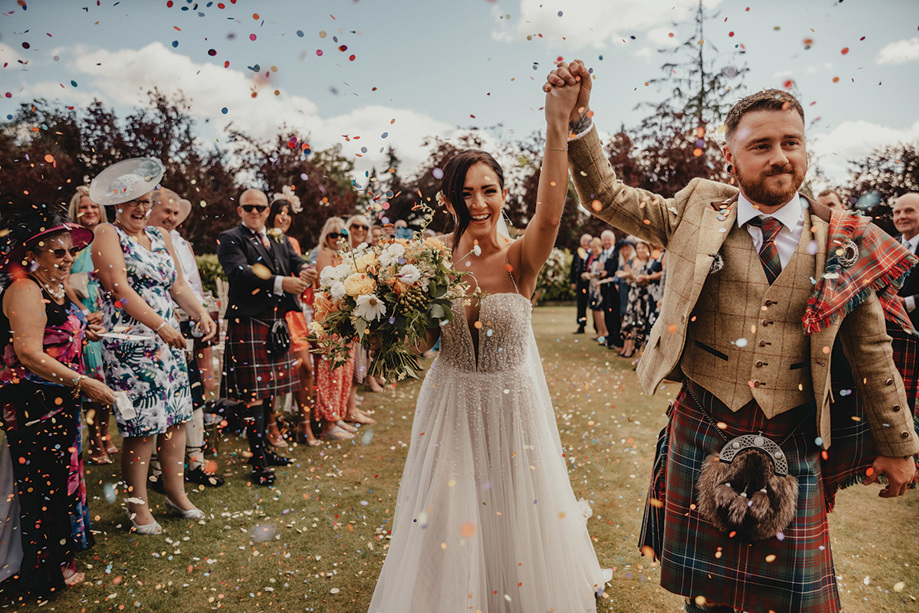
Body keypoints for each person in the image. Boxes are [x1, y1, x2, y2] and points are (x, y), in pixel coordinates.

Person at [545, 62, 918, 613]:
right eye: (761, 145)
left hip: (793, 432)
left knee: (796, 602)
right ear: (731, 157)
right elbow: (604, 196)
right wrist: (578, 121)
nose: (780, 156)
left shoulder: (843, 240)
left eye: (791, 142)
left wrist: (899, 446)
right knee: (707, 596)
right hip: (704, 418)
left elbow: (871, 352)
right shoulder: (697, 206)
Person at [369, 82, 610, 612]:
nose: (478, 203)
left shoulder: (521, 256)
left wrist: (557, 125)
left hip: (511, 403)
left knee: (518, 507)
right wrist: (377, 324)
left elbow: (550, 215)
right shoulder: (431, 260)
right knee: (447, 507)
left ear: (503, 193)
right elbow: (424, 340)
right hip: (450, 400)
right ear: (451, 199)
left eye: (489, 190)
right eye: (466, 192)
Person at [90, 158, 217, 533]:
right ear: (117, 204)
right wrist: (161, 325)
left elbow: (177, 286)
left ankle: (175, 494)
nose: (141, 209)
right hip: (132, 344)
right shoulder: (106, 234)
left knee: (177, 419)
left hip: (169, 343)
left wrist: (201, 312)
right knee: (142, 426)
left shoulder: (160, 237)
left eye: (146, 202)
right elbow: (119, 289)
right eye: (133, 203)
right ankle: (137, 506)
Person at [0, 206, 115, 595]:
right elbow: (31, 353)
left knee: (64, 479)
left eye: (70, 252)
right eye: (58, 252)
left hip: (60, 399)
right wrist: (84, 382)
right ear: (34, 254)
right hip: (31, 403)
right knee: (41, 484)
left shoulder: (58, 287)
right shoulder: (24, 289)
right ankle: (43, 569)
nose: (68, 259)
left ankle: (62, 556)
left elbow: (66, 330)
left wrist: (88, 330)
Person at [217, 188, 315, 485]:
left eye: (261, 207)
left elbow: (294, 262)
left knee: (270, 390)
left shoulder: (277, 238)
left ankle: (266, 450)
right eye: (249, 207)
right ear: (240, 210)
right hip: (249, 321)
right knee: (253, 395)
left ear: (267, 210)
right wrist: (281, 282)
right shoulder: (231, 238)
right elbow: (239, 273)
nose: (255, 211)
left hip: (276, 322)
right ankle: (258, 461)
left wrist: (306, 271)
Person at [146, 188, 226, 488]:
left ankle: (195, 461)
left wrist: (201, 312)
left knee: (194, 391)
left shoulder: (180, 242)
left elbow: (186, 282)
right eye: (166, 211)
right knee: (159, 397)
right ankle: (156, 468)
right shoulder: (137, 241)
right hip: (158, 324)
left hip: (188, 319)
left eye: (175, 213)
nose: (172, 217)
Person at [65, 186, 117, 465]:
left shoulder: (108, 238)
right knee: (93, 383)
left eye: (94, 207)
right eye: (84, 207)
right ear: (77, 211)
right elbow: (65, 283)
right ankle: (94, 441)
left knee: (107, 381)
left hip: (107, 316)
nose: (89, 211)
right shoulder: (72, 241)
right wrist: (85, 312)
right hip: (84, 316)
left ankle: (106, 437)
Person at [265, 194, 321, 447]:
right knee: (273, 372)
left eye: (288, 213)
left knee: (306, 368)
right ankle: (271, 425)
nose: (285, 217)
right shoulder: (262, 240)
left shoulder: (293, 243)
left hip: (294, 313)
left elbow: (298, 266)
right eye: (280, 211)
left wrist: (309, 274)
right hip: (272, 312)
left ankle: (304, 424)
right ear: (270, 214)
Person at [311, 217, 356, 441]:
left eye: (343, 235)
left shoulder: (347, 256)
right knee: (329, 370)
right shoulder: (324, 256)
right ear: (326, 237)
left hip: (346, 320)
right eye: (334, 235)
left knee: (344, 368)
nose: (339, 239)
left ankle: (336, 415)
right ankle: (327, 423)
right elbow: (324, 288)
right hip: (329, 318)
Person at [618, 239, 655, 359]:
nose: (640, 250)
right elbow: (631, 281)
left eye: (643, 248)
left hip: (642, 298)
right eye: (638, 248)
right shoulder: (635, 262)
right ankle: (627, 347)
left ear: (648, 249)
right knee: (629, 321)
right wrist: (629, 276)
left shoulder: (650, 263)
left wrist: (631, 276)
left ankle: (635, 350)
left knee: (639, 324)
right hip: (633, 296)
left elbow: (643, 280)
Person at [584, 237, 608, 343]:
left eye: (596, 247)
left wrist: (591, 275)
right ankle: (599, 332)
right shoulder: (591, 258)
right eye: (592, 247)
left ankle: (604, 332)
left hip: (599, 286)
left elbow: (602, 272)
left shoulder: (602, 257)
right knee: (594, 309)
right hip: (592, 286)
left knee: (600, 309)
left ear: (600, 246)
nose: (594, 249)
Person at [570, 233, 593, 334]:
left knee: (594, 305)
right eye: (583, 241)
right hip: (580, 283)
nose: (585, 243)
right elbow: (572, 269)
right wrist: (572, 281)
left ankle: (598, 327)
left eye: (587, 241)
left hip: (592, 283)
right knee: (581, 305)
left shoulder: (594, 253)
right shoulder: (577, 253)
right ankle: (581, 325)